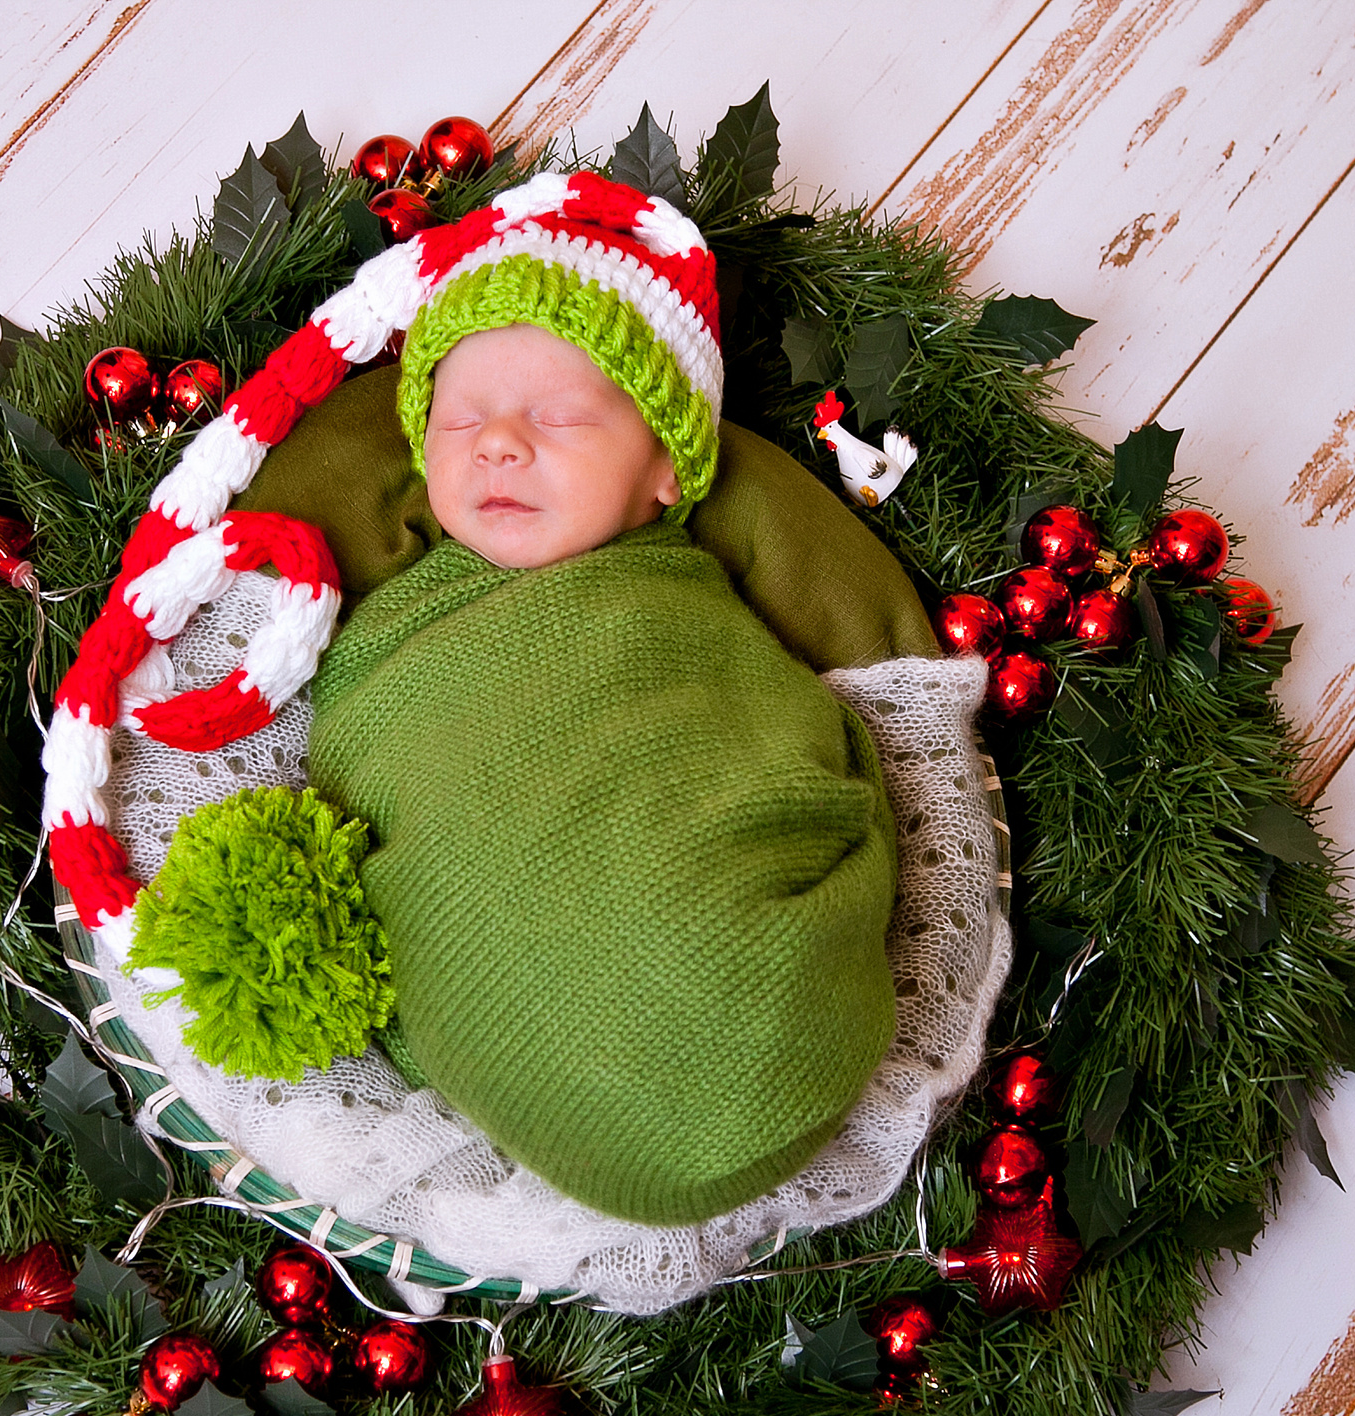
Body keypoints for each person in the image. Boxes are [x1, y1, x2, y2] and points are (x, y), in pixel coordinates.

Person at [298, 176, 902, 1228]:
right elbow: (384, 765)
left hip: (724, 905)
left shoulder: (685, 591)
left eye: (560, 416)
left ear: (668, 466)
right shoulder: (387, 606)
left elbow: (765, 719)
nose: (497, 442)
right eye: (459, 419)